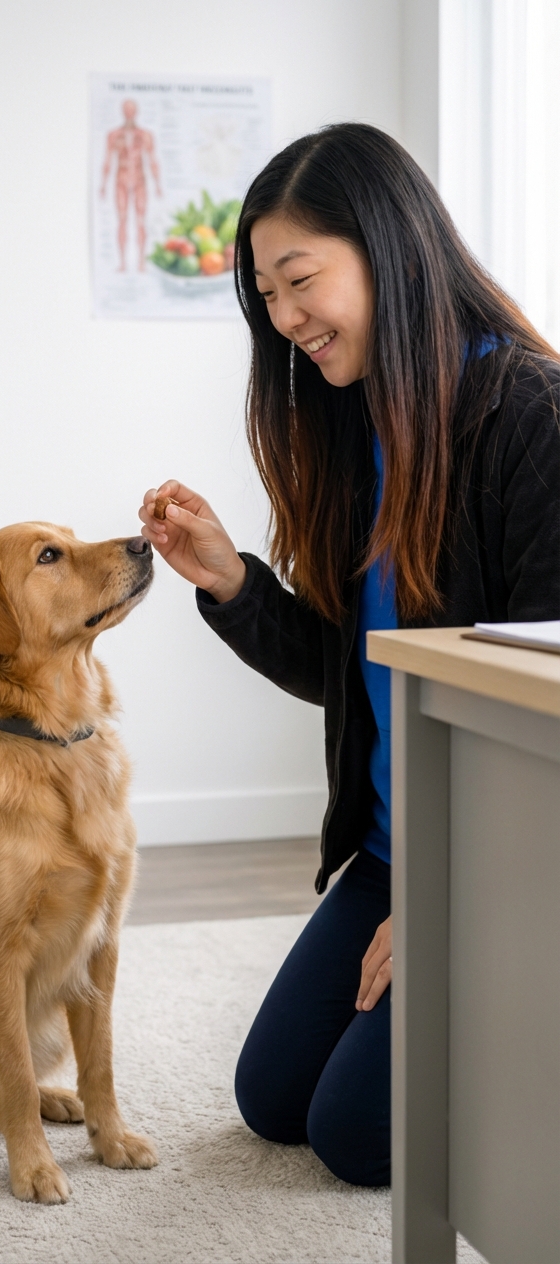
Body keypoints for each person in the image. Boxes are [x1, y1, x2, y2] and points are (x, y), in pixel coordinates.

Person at [138, 122, 560, 1187]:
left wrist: (450, 910)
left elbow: (541, 716)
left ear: (386, 246)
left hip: (501, 857)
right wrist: (229, 579)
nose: (283, 322)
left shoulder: (528, 418)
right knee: (271, 1099)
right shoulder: (358, 427)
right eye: (264, 297)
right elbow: (349, 672)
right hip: (391, 849)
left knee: (357, 1136)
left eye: (297, 282)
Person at [100, 99, 162, 272]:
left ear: (136, 111)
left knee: (141, 220)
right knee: (122, 220)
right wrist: (103, 184)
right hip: (121, 179)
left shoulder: (145, 135)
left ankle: (141, 261)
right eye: (126, 110)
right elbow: (107, 161)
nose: (129, 113)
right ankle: (122, 263)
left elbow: (152, 161)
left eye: (131, 110)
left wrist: (157, 184)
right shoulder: (113, 135)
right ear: (122, 111)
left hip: (140, 180)